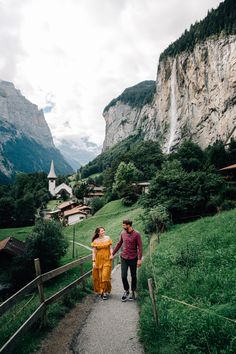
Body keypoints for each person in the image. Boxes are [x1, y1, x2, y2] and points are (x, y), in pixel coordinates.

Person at [112, 219, 142, 301]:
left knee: (133, 276)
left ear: (129, 225)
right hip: (124, 258)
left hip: (133, 258)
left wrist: (139, 259)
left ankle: (133, 291)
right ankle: (126, 290)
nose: (123, 226)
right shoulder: (122, 233)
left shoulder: (137, 234)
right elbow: (119, 244)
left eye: (124, 225)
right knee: (123, 276)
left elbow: (140, 247)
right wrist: (112, 254)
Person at [91, 226, 113, 300]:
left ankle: (105, 291)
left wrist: (112, 254)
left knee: (105, 275)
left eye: (104, 230)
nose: (103, 232)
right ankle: (103, 292)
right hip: (98, 260)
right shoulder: (95, 241)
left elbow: (110, 248)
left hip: (107, 259)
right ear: (98, 232)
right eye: (102, 231)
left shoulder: (108, 238)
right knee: (100, 276)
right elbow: (93, 252)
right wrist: (93, 261)